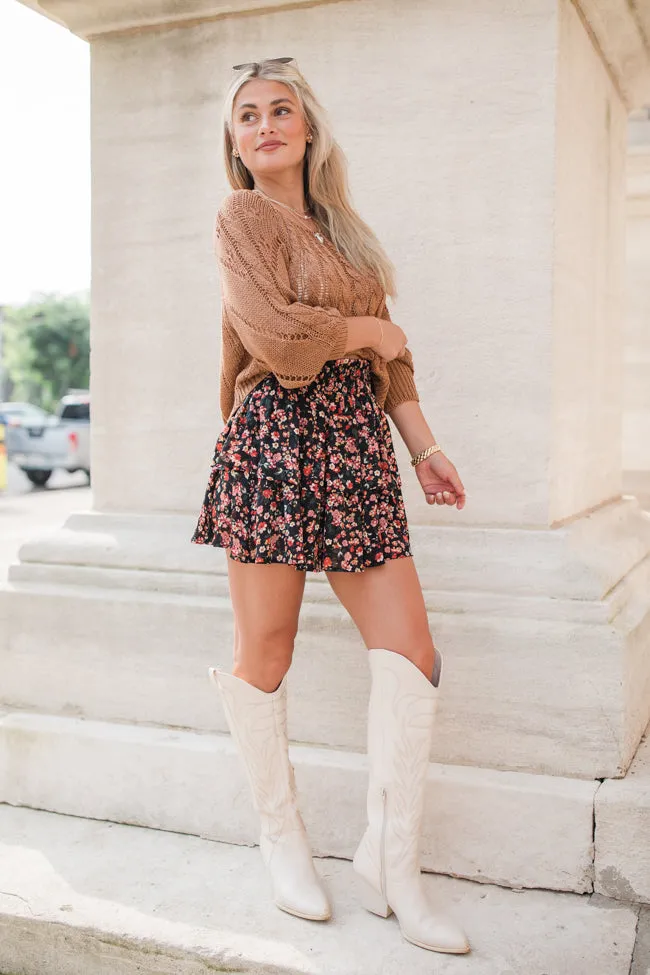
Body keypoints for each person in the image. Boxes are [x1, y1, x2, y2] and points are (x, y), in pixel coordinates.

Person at [191, 56, 470, 956]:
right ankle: (283, 840)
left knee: (411, 653)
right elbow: (275, 337)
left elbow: (396, 367)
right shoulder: (240, 217)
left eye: (280, 110)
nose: (265, 125)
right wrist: (365, 330)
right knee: (264, 650)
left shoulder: (348, 236)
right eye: (247, 116)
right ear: (235, 143)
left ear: (307, 129)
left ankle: (393, 865)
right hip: (273, 438)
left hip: (356, 447)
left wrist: (424, 447)